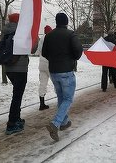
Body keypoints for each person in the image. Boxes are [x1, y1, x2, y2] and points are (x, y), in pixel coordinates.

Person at [42, 13, 83, 142]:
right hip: (66, 71)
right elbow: (78, 51)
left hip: (53, 72)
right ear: (66, 22)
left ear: (56, 21)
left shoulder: (49, 35)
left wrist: (55, 60)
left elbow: (44, 53)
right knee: (68, 99)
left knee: (61, 97)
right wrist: (72, 58)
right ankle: (56, 123)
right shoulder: (71, 34)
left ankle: (64, 122)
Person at [4, 13, 38, 135]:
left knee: (17, 94)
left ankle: (16, 118)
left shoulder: (6, 31)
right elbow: (32, 50)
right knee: (17, 96)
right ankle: (12, 124)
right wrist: (35, 40)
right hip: (20, 69)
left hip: (9, 68)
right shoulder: (21, 33)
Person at [37, 25, 52, 111]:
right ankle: (61, 100)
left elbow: (39, 51)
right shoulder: (50, 38)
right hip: (49, 64)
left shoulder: (41, 39)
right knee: (56, 82)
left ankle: (42, 104)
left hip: (41, 65)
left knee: (43, 84)